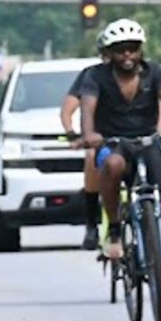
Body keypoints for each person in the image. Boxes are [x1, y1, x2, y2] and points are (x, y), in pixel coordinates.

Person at [76, 18, 161, 308]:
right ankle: (115, 228)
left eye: (132, 49)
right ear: (109, 52)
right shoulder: (95, 76)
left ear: (140, 50)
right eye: (120, 50)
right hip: (114, 143)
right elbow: (87, 108)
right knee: (113, 165)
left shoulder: (156, 73)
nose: (127, 56)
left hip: (148, 142)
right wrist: (89, 134)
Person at [60, 56, 108, 250]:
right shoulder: (92, 76)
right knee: (91, 159)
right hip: (101, 135)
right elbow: (68, 110)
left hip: (133, 132)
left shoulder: (143, 73)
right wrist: (72, 135)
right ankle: (91, 223)